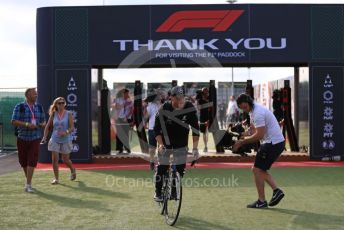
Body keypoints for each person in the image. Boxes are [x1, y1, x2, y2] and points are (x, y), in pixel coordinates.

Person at [233, 94, 285, 208]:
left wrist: (241, 142)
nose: (244, 110)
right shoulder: (253, 110)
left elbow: (259, 135)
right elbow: (253, 131)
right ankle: (276, 191)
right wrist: (240, 134)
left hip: (272, 143)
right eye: (242, 108)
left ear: (249, 102)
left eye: (245, 107)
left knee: (257, 170)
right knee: (258, 170)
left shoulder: (257, 113)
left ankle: (262, 201)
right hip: (275, 143)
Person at [153, 86, 200, 202]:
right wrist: (160, 145)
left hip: (181, 142)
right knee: (163, 167)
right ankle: (158, 191)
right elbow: (156, 129)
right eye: (177, 98)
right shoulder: (164, 108)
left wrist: (195, 148)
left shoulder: (190, 108)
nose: (180, 101)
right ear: (171, 98)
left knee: (179, 169)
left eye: (182, 98)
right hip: (166, 141)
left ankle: (174, 190)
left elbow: (195, 130)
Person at [11, 88, 46, 193]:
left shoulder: (39, 107)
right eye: (34, 94)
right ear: (27, 95)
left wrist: (42, 124)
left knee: (32, 160)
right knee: (23, 161)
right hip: (22, 138)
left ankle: (28, 184)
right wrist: (26, 124)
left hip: (35, 138)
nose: (36, 95)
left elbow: (44, 121)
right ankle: (28, 181)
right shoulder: (19, 106)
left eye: (36, 94)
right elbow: (13, 121)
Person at [41, 97, 76, 184]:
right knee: (54, 160)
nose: (61, 105)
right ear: (56, 104)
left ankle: (72, 169)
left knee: (65, 160)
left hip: (66, 139)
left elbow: (72, 127)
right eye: (59, 103)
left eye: (62, 103)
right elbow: (47, 127)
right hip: (55, 139)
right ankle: (56, 179)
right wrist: (44, 138)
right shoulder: (53, 114)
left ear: (65, 104)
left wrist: (66, 132)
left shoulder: (69, 114)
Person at [143, 90, 161, 170]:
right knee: (158, 146)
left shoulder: (151, 106)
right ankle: (157, 162)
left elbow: (146, 118)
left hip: (154, 129)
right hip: (157, 129)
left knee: (153, 147)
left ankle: (153, 162)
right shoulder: (156, 106)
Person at [113, 88, 133, 154]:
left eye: (128, 93)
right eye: (126, 93)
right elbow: (116, 107)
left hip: (126, 119)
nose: (127, 95)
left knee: (126, 134)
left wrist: (126, 117)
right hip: (119, 118)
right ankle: (119, 148)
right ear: (122, 94)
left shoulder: (129, 101)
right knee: (119, 134)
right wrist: (122, 105)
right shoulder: (118, 100)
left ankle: (127, 147)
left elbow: (131, 110)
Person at [197, 87, 209, 152]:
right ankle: (206, 146)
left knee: (208, 132)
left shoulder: (210, 98)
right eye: (204, 92)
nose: (205, 93)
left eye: (206, 92)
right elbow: (198, 107)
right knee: (204, 132)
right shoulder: (200, 100)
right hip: (203, 117)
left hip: (209, 116)